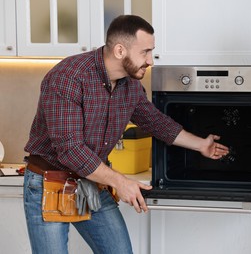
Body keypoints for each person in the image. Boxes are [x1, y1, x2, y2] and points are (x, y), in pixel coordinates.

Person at [23, 14, 229, 254]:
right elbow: (71, 150)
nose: (150, 60)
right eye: (145, 52)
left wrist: (201, 145)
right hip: (50, 183)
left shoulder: (129, 85)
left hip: (91, 181)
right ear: (120, 50)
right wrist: (120, 182)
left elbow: (155, 122)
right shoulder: (68, 77)